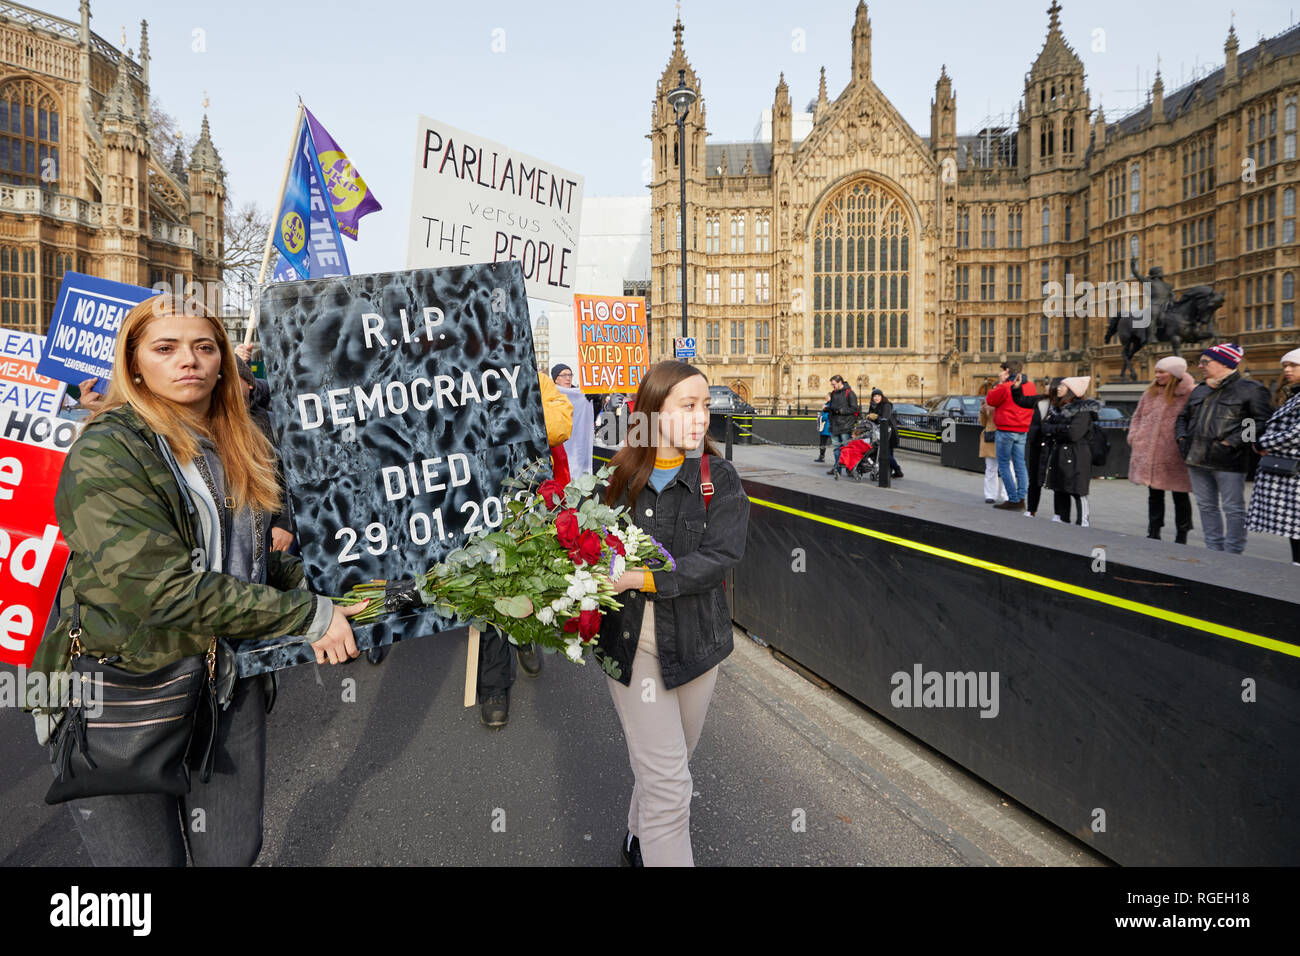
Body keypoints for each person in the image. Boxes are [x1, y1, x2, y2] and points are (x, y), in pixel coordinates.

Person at [29, 295, 368, 866]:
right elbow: (158, 589)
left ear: (222, 361)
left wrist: (328, 587)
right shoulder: (108, 449)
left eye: (204, 347)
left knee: (232, 854)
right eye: (166, 348)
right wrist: (306, 617)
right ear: (134, 363)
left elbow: (248, 558)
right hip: (123, 691)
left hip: (228, 684)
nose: (189, 360)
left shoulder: (238, 440)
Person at [594, 360, 750, 867]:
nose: (702, 416)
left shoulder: (718, 478)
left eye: (706, 405)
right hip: (632, 645)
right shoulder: (618, 478)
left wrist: (643, 577)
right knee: (670, 786)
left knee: (671, 763)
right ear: (653, 413)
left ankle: (637, 837)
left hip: (697, 645)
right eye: (689, 405)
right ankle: (655, 842)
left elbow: (720, 558)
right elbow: (591, 552)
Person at [477, 369, 574, 727]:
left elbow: (560, 425)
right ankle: (494, 684)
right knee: (489, 585)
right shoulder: (455, 374)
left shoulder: (537, 379)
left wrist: (505, 411)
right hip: (478, 499)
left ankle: (524, 635)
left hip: (529, 496)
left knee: (527, 575)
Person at [1176, 343, 1274, 554]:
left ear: (1225, 363)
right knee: (1206, 506)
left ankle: (1233, 552)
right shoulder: (1200, 390)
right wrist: (1182, 438)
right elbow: (1182, 417)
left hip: (1228, 460)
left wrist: (1234, 442)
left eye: (1205, 362)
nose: (1200, 366)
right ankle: (1213, 550)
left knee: (1233, 508)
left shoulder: (1252, 390)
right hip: (1195, 457)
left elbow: (1259, 421)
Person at [1127, 356, 1196, 543]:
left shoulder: (1189, 392)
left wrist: (1183, 442)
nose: (1156, 375)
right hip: (1149, 450)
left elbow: (1193, 420)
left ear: (1173, 374)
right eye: (1156, 371)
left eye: (1161, 372)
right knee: (1154, 494)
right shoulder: (1150, 392)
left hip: (1174, 452)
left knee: (1179, 494)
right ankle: (1153, 531)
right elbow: (1137, 416)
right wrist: (1134, 436)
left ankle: (1182, 533)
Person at [1246, 348, 1300, 566]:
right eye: (1284, 366)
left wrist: (1258, 441)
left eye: (1292, 365)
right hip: (1278, 463)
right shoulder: (1290, 393)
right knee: (1294, 526)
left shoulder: (1254, 391)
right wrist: (1250, 440)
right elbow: (1249, 421)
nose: (1286, 370)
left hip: (1288, 465)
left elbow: (1254, 419)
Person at [1040, 377, 1100, 526]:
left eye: (1063, 386)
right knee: (1060, 488)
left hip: (1077, 455)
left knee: (1077, 490)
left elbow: (1074, 434)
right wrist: (1062, 429)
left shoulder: (1082, 411)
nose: (1058, 388)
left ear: (1072, 391)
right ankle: (1062, 519)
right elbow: (1045, 428)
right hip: (1061, 453)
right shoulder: (1058, 409)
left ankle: (1083, 523)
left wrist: (1056, 430)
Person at [986, 361, 1037, 510]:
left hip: (1006, 429)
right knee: (1020, 465)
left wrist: (1000, 383)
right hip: (1022, 430)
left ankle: (1013, 499)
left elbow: (991, 400)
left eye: (1001, 371)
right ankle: (1022, 498)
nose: (999, 373)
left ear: (1007, 371)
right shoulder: (1031, 386)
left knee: (1003, 466)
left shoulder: (1006, 386)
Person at [1009, 375, 1059, 518]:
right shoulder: (1040, 400)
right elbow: (1021, 401)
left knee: (1056, 481)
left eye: (1050, 384)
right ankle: (1031, 510)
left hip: (1053, 445)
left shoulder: (1062, 405)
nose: (1046, 386)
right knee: (1034, 479)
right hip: (1037, 444)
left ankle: (1059, 514)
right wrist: (1017, 387)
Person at [824, 374, 860, 476]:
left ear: (840, 382)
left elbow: (854, 409)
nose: (833, 386)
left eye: (834, 384)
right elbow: (833, 408)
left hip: (845, 425)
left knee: (847, 448)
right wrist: (828, 409)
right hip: (835, 425)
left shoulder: (850, 393)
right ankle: (837, 468)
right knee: (836, 448)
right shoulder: (834, 393)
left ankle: (850, 469)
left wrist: (840, 411)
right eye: (832, 385)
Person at [866, 387, 904, 478]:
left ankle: (897, 470)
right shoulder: (872, 405)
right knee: (888, 454)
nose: (876, 398)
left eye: (878, 396)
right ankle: (892, 472)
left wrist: (876, 417)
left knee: (887, 454)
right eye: (874, 396)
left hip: (889, 433)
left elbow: (885, 419)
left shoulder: (886, 405)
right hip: (880, 433)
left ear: (882, 396)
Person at [978, 390, 1006, 504]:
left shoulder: (1006, 403)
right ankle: (990, 495)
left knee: (1007, 469)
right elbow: (983, 423)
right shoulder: (988, 405)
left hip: (1005, 436)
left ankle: (1007, 495)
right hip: (990, 437)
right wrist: (983, 411)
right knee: (990, 468)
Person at [813, 393, 832, 462]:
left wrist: (820, 418)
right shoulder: (827, 404)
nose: (826, 397)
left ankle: (821, 456)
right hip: (826, 426)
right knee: (823, 442)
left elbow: (826, 416)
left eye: (827, 396)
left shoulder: (829, 405)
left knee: (823, 442)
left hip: (827, 426)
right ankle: (821, 456)